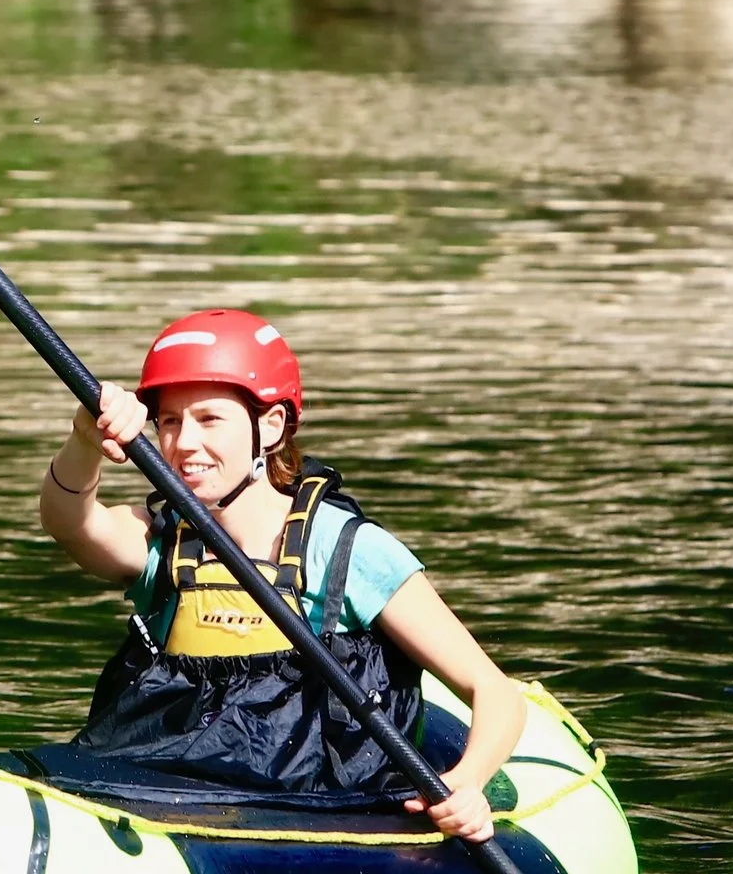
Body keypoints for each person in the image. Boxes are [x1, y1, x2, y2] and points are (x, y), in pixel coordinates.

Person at [37, 309, 525, 842]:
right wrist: (85, 440)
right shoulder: (166, 540)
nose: (183, 443)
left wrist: (469, 782)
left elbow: (493, 691)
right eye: (170, 421)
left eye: (209, 419)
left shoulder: (345, 551)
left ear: (269, 427)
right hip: (159, 783)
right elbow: (72, 524)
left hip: (308, 807)